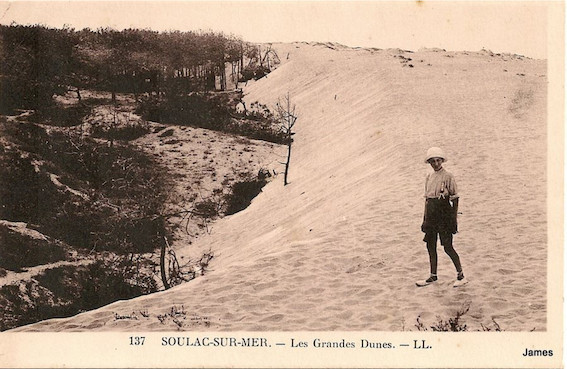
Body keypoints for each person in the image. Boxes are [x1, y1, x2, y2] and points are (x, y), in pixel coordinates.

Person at [416, 147, 467, 287]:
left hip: (444, 214)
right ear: (429, 163)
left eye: (438, 160)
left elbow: (455, 198)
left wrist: (453, 219)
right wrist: (424, 219)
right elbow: (427, 200)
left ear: (442, 161)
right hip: (431, 214)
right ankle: (433, 275)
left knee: (447, 247)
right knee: (430, 245)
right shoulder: (429, 177)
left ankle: (461, 276)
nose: (436, 164)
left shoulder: (448, 176)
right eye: (432, 161)